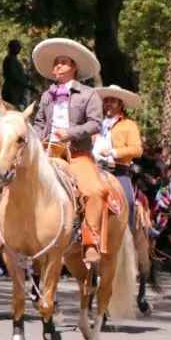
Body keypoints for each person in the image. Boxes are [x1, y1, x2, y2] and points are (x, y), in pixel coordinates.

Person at [31, 38, 107, 264]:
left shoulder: (88, 94)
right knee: (15, 180)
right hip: (47, 152)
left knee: (94, 190)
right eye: (56, 63)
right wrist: (31, 143)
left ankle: (90, 241)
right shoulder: (46, 96)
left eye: (63, 62)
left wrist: (70, 133)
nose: (58, 67)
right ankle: (4, 233)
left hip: (77, 154)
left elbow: (96, 123)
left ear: (74, 67)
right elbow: (38, 124)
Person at [93, 84, 143, 230]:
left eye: (112, 100)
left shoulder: (129, 125)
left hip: (118, 171)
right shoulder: (96, 124)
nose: (108, 103)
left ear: (121, 104)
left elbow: (137, 149)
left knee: (129, 201)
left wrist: (113, 152)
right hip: (94, 168)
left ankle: (128, 236)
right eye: (106, 100)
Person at [1, 40, 35, 109]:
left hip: (16, 90)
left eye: (19, 46)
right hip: (11, 90)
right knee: (12, 110)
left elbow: (18, 75)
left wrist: (26, 77)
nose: (19, 48)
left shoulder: (15, 60)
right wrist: (26, 85)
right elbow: (13, 76)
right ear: (11, 47)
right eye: (17, 46)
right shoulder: (10, 59)